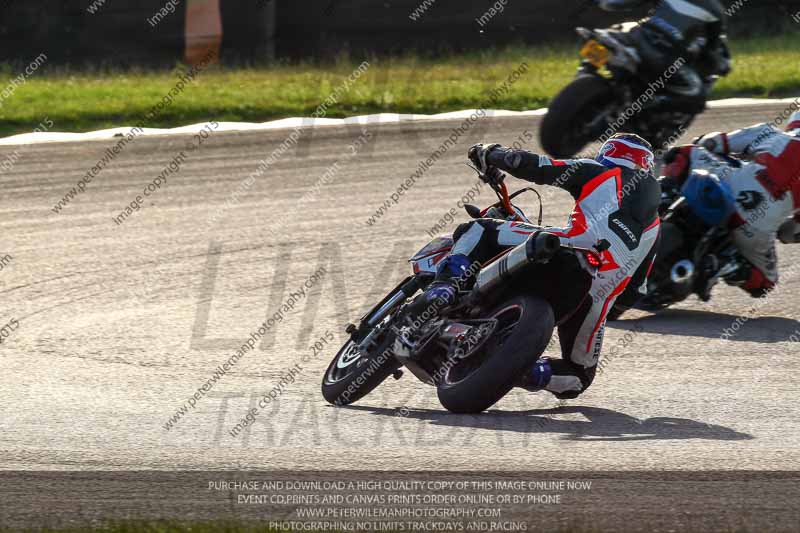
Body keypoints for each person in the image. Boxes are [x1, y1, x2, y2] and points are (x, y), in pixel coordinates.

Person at [401, 133, 661, 399]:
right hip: (595, 299)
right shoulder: (655, 227)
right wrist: (607, 306)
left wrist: (491, 152)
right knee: (578, 377)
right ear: (646, 166)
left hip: (567, 248)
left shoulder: (601, 172)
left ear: (609, 154)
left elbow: (534, 165)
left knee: (478, 228)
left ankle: (444, 287)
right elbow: (636, 291)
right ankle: (528, 371)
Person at [660, 110, 800, 297]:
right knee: (765, 285)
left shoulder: (768, 133)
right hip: (753, 227)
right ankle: (728, 267)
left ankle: (661, 197)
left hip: (725, 184)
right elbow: (788, 234)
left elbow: (710, 143)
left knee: (681, 153)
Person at [597, 0, 731, 114]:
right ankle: (646, 107)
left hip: (638, 38)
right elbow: (711, 49)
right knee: (697, 99)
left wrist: (604, 3)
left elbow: (624, 3)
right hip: (665, 55)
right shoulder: (715, 11)